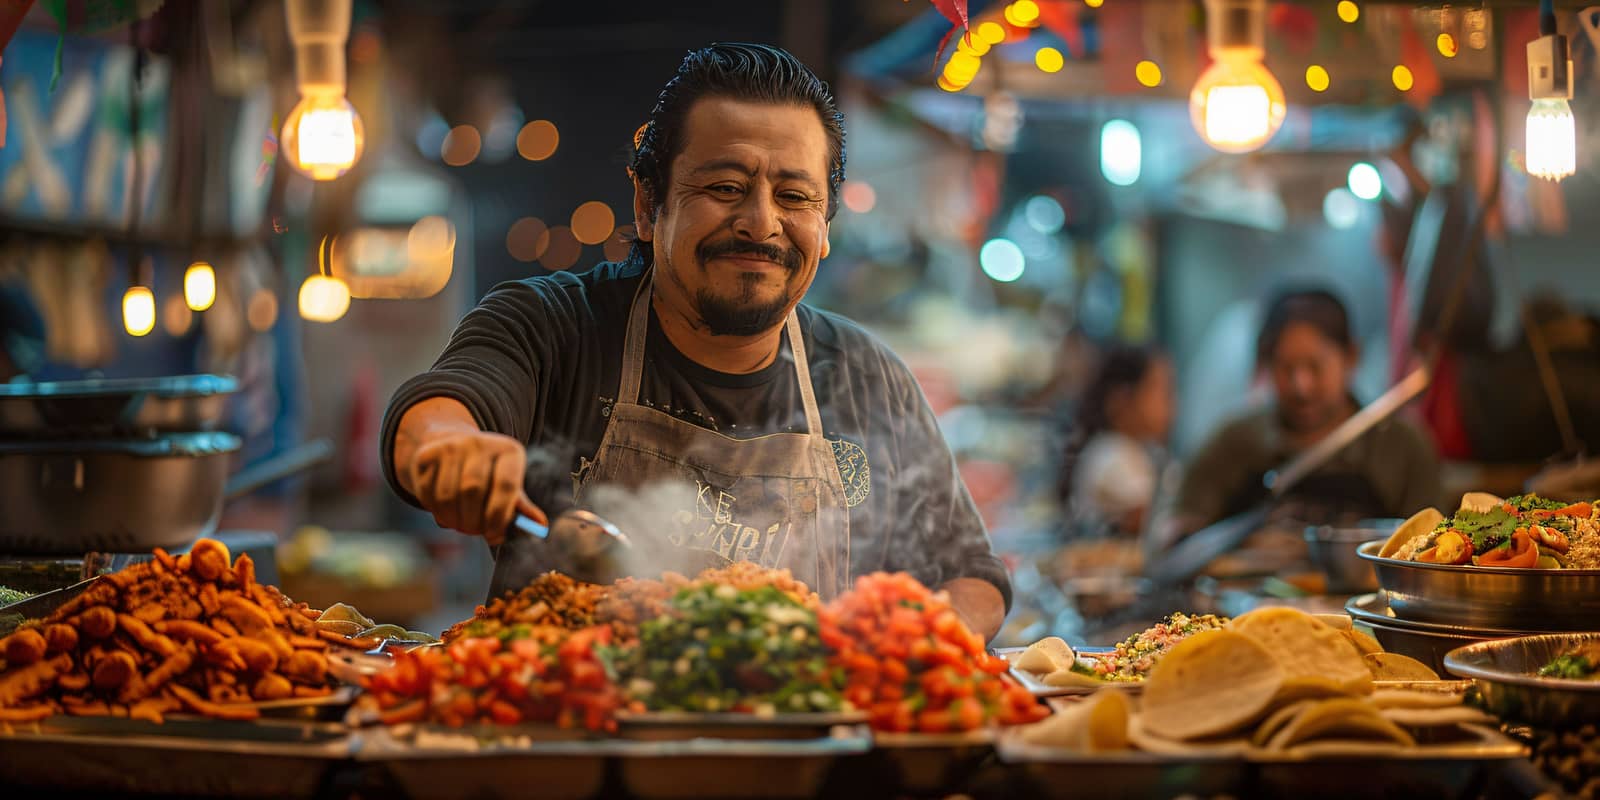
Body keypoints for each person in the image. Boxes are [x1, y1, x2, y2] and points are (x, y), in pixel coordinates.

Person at [380, 44, 1010, 640]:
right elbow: (437, 415)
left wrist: (904, 641)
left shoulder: (868, 378)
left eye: (794, 196)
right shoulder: (551, 325)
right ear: (649, 205)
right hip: (567, 729)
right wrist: (452, 451)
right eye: (724, 188)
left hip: (801, 736)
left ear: (824, 227)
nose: (761, 223)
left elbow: (974, 578)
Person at [1167, 289, 1441, 540]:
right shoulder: (1234, 442)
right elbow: (1180, 528)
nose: (1301, 386)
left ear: (1351, 357)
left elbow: (1431, 549)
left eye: (1315, 366)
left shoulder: (1401, 446)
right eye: (1286, 368)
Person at [1058, 345, 1174, 539]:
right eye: (1160, 390)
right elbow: (1150, 516)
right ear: (1122, 400)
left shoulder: (1138, 450)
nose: (1169, 404)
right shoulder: (1111, 455)